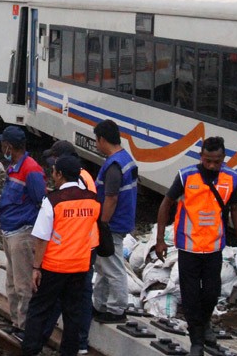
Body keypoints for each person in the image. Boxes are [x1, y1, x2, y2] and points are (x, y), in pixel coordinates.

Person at [155, 136, 237, 356]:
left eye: (216, 162)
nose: (211, 166)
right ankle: (196, 339)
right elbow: (166, 203)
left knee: (210, 293)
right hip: (188, 247)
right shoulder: (186, 176)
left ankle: (205, 324)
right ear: (201, 157)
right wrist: (160, 239)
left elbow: (234, 209)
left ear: (223, 159)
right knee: (190, 296)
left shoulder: (231, 178)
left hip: (214, 247)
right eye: (207, 161)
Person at [22, 156, 100, 356]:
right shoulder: (92, 200)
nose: (53, 175)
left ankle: (31, 350)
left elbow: (42, 238)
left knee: (39, 310)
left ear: (60, 175)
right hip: (80, 266)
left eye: (55, 171)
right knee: (72, 315)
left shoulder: (53, 201)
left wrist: (36, 268)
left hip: (54, 265)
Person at [41, 140, 96, 354]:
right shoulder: (83, 178)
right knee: (74, 295)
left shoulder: (79, 180)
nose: (52, 167)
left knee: (72, 295)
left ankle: (74, 341)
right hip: (81, 244)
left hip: (78, 246)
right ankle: (62, 340)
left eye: (54, 162)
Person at [0, 125, 47, 342]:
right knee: (12, 282)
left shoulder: (31, 170)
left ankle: (25, 328)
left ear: (9, 146)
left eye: (3, 143)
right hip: (10, 230)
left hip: (23, 233)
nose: (1, 146)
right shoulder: (15, 166)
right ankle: (16, 323)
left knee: (23, 284)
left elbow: (40, 201)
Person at [92, 119, 138, 324]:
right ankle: (100, 304)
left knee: (112, 266)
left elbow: (111, 197)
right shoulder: (125, 159)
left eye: (96, 140)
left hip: (112, 223)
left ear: (102, 139)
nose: (95, 144)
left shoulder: (113, 165)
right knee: (103, 266)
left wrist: (102, 223)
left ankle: (117, 308)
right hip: (120, 221)